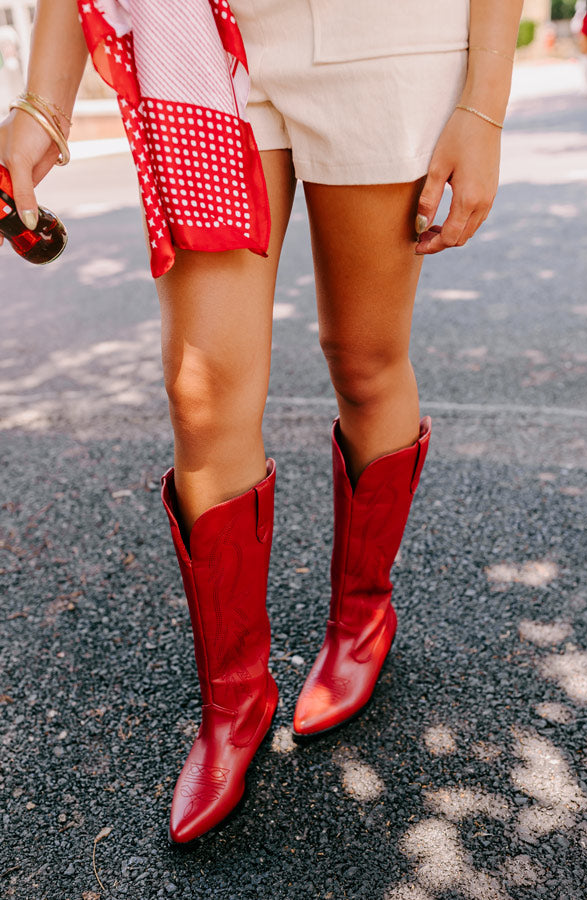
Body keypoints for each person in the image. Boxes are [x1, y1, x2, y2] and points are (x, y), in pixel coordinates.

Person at [0, 0, 524, 846]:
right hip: (198, 42)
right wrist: (42, 109)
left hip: (380, 41)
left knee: (363, 356)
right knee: (202, 395)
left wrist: (484, 103)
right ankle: (234, 700)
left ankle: (362, 616)